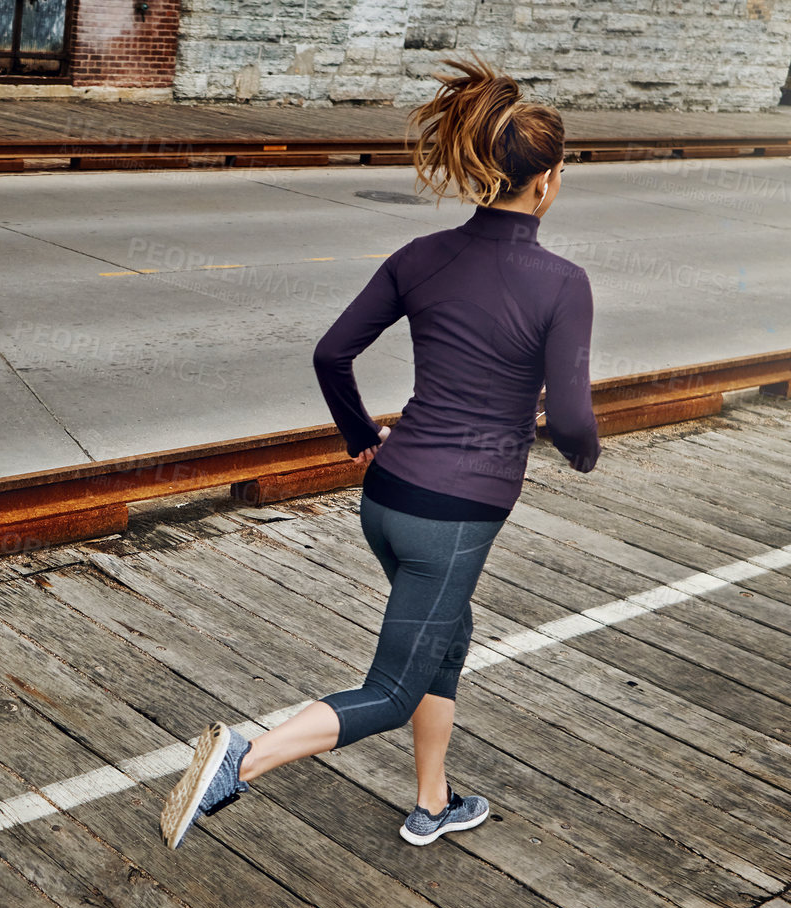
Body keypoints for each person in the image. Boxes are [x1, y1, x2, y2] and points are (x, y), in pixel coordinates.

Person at [161, 55, 601, 850]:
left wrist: (363, 438)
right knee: (393, 688)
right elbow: (571, 416)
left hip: (387, 497)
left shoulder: (419, 257)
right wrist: (581, 454)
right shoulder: (561, 281)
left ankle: (432, 800)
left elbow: (331, 356)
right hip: (455, 514)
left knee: (445, 637)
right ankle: (241, 760)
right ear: (547, 182)